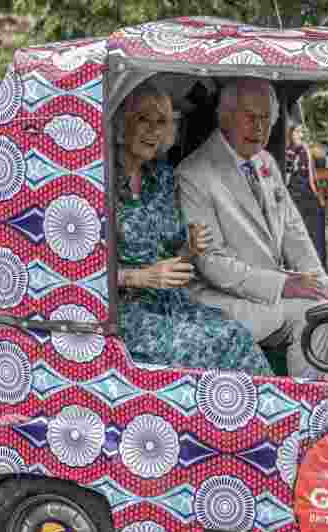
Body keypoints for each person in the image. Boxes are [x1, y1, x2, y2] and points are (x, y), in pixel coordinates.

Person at [177, 78, 328, 379]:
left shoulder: (263, 160)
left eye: (266, 119)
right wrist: (283, 285)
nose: (260, 128)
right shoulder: (195, 173)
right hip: (224, 299)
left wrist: (315, 280)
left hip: (274, 285)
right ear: (225, 116)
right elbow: (212, 265)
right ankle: (315, 413)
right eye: (251, 117)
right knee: (315, 314)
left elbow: (293, 230)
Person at [113, 84, 271, 375]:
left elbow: (172, 258)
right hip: (121, 315)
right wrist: (138, 276)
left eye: (161, 122)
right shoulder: (98, 179)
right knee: (213, 344)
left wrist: (190, 250)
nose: (152, 131)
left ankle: (267, 416)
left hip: (170, 304)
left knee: (236, 335)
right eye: (142, 119)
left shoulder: (160, 176)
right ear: (123, 122)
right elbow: (76, 271)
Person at [284, 124, 328, 270]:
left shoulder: (310, 151)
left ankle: (320, 270)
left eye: (303, 131)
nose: (301, 134)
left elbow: (326, 164)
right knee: (297, 237)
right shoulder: (288, 152)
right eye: (297, 131)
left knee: (316, 237)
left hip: (311, 197)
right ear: (290, 133)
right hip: (293, 198)